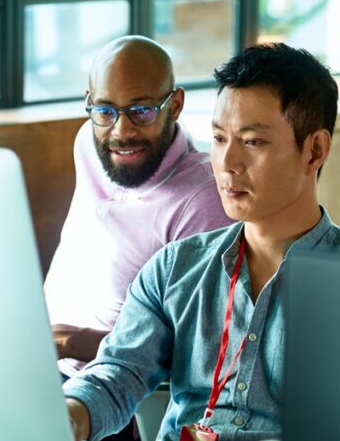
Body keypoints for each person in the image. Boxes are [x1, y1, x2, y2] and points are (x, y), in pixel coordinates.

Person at [63, 43, 340, 441]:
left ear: (314, 151)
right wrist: (71, 412)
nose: (227, 163)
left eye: (253, 141)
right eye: (219, 138)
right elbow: (119, 373)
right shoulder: (174, 269)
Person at [44, 36, 232, 367]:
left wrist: (71, 343)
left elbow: (199, 347)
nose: (121, 132)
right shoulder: (89, 144)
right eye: (104, 111)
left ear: (174, 105)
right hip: (44, 362)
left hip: (109, 392)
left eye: (141, 111)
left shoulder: (203, 199)